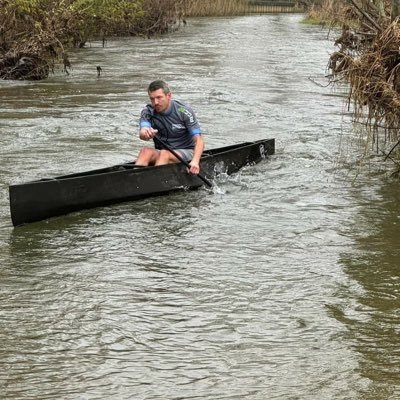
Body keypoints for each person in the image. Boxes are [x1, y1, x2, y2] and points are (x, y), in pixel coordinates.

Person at [136, 80, 204, 175]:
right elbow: (142, 133)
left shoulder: (183, 111)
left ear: (169, 96)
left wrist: (195, 162)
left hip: (186, 151)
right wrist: (146, 133)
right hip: (164, 151)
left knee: (164, 154)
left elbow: (199, 140)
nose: (155, 102)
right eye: (152, 99)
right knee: (145, 152)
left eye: (159, 97)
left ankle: (154, 182)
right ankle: (136, 181)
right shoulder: (148, 111)